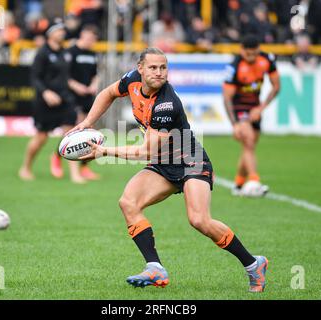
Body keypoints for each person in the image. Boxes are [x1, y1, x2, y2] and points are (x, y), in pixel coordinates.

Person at [69, 47, 269, 292]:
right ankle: (155, 267)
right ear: (140, 68)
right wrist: (88, 123)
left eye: (163, 68)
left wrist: (105, 151)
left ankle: (253, 264)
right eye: (153, 67)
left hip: (190, 160)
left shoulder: (166, 103)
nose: (159, 72)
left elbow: (146, 151)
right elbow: (107, 93)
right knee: (128, 203)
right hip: (164, 164)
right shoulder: (132, 80)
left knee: (199, 220)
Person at [19, 18, 85, 183]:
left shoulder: (65, 52)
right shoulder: (42, 53)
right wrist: (46, 92)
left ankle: (75, 174)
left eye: (62, 30)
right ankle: (25, 168)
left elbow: (66, 77)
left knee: (71, 136)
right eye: (58, 30)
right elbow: (35, 78)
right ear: (50, 34)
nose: (62, 32)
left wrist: (76, 87)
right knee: (41, 137)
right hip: (45, 102)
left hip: (65, 100)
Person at [223, 34, 280, 195]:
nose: (251, 57)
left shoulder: (267, 60)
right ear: (242, 50)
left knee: (250, 146)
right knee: (248, 142)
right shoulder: (234, 66)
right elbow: (227, 98)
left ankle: (239, 184)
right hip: (238, 107)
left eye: (254, 54)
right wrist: (234, 124)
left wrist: (260, 108)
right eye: (248, 54)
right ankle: (254, 181)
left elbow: (276, 87)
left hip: (255, 107)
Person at [67, 24, 101, 180]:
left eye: (93, 39)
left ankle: (85, 167)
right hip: (73, 96)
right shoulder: (71, 52)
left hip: (88, 95)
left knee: (90, 132)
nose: (90, 41)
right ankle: (66, 165)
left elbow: (95, 74)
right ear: (82, 35)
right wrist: (77, 86)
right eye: (88, 38)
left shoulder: (93, 54)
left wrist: (94, 84)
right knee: (76, 132)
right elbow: (64, 76)